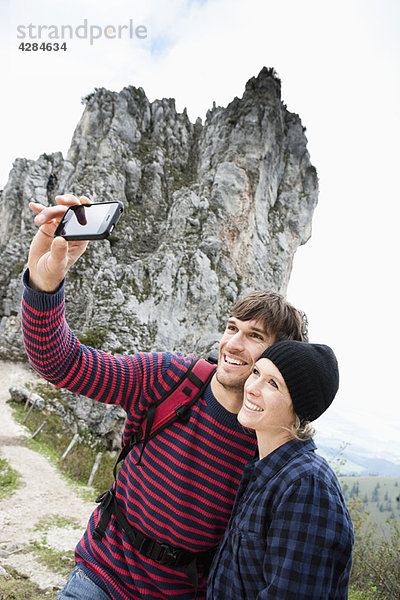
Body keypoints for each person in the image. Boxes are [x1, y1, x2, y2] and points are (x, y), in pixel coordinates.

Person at [21, 194, 308, 600]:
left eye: (255, 336)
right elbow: (60, 362)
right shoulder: (172, 378)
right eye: (231, 328)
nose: (233, 344)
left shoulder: (269, 441)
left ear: (279, 356)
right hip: (103, 575)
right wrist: (45, 280)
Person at [207, 340, 354, 599]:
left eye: (272, 383)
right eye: (256, 373)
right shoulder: (264, 470)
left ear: (298, 408)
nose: (251, 388)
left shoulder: (306, 487)